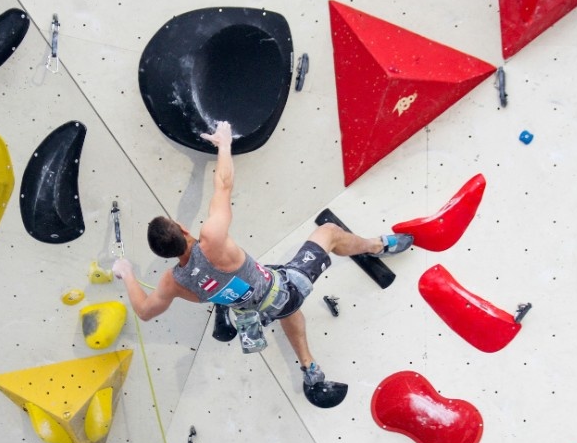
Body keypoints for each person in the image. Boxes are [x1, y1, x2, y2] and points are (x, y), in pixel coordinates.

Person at [112, 120, 413, 408]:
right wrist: (224, 145)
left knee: (280, 306)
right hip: (283, 289)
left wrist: (126, 273)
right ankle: (377, 247)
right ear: (184, 229)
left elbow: (145, 311)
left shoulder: (173, 281)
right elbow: (224, 185)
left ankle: (309, 367)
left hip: (253, 309)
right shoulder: (212, 238)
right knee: (329, 234)